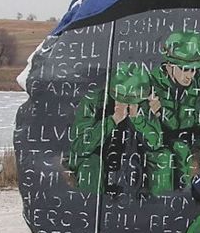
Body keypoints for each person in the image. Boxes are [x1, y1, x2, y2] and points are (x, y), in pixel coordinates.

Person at [147, 31, 200, 190]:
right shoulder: (151, 84)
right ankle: (178, 197)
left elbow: (196, 116)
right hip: (161, 141)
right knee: (175, 155)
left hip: (188, 137)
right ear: (170, 65)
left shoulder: (194, 81)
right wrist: (158, 113)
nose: (190, 76)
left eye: (194, 70)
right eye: (185, 69)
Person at [68, 62, 163, 194]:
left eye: (134, 100)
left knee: (161, 159)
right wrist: (113, 119)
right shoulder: (93, 101)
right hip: (98, 160)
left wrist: (138, 120)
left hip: (132, 160)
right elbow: (79, 147)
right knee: (90, 165)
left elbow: (156, 143)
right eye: (125, 100)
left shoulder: (144, 102)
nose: (129, 104)